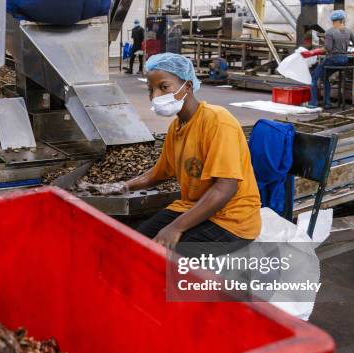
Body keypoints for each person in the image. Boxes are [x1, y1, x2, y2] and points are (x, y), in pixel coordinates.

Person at [83, 53, 262, 253]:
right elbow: (160, 172)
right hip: (191, 207)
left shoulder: (218, 121)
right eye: (151, 90)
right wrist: (124, 185)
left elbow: (225, 189)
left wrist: (176, 227)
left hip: (232, 220)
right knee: (135, 244)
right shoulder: (177, 127)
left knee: (162, 257)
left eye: (164, 87)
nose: (155, 96)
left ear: (187, 86)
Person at [302, 10, 354, 109]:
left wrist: (311, 52)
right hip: (344, 60)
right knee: (324, 77)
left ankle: (313, 103)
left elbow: (327, 48)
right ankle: (327, 103)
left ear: (333, 21)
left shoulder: (330, 32)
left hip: (332, 59)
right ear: (343, 19)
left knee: (314, 77)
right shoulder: (348, 31)